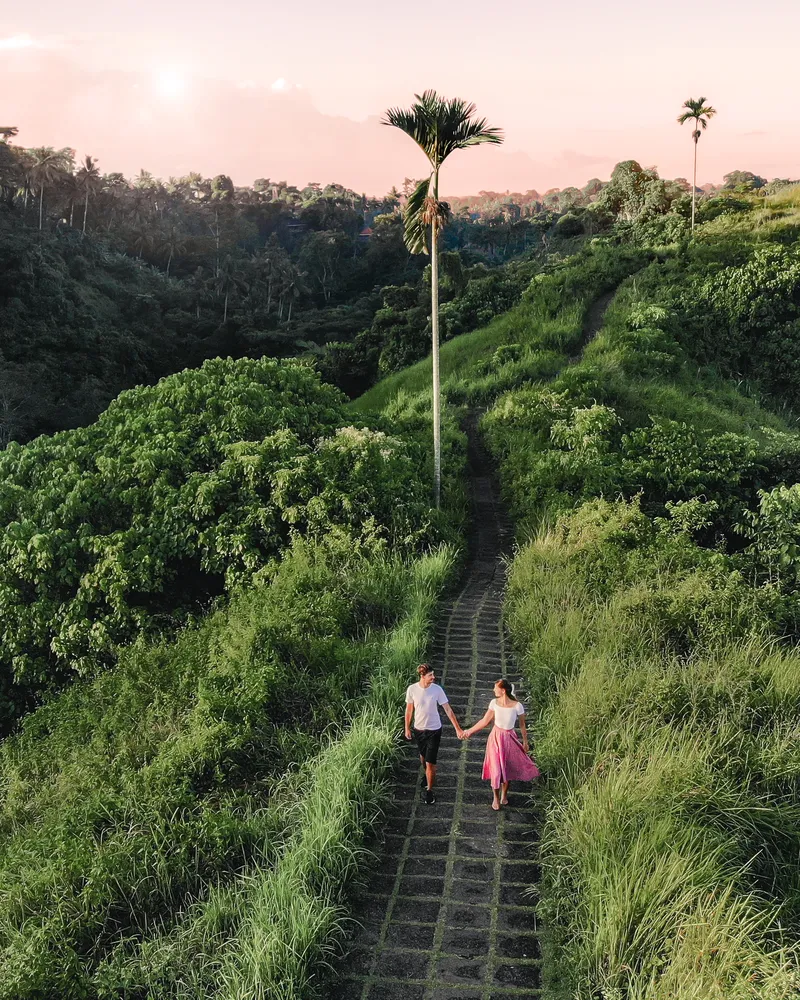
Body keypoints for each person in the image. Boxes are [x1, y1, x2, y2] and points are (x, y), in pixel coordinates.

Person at [462, 678, 539, 810]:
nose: (493, 690)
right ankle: (495, 798)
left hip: (509, 738)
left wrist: (525, 742)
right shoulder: (494, 703)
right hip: (495, 738)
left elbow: (522, 726)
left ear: (503, 691)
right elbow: (485, 721)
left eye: (496, 688)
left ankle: (504, 794)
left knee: (506, 769)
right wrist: (469, 731)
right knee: (496, 770)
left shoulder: (517, 706)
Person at [405, 663, 464, 805]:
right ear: (422, 676)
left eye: (433, 674)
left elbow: (448, 709)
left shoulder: (437, 690)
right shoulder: (412, 689)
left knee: (430, 762)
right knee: (423, 757)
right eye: (430, 675)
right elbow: (409, 710)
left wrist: (457, 728)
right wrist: (406, 728)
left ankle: (429, 791)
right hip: (419, 729)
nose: (433, 677)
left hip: (434, 730)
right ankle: (427, 775)